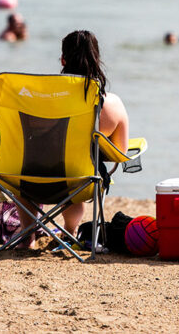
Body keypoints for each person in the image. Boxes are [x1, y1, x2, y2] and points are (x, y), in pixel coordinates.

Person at [56, 30, 131, 239]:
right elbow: (120, 153)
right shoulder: (111, 103)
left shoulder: (41, 98)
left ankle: (27, 238)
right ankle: (69, 232)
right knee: (78, 168)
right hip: (82, 181)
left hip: (27, 178)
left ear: (63, 60)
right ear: (97, 59)